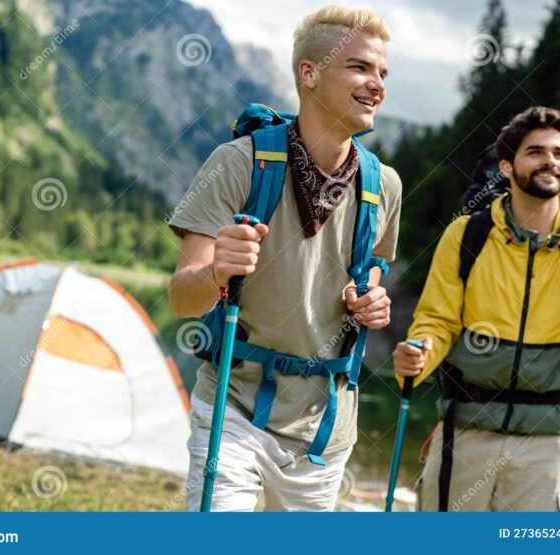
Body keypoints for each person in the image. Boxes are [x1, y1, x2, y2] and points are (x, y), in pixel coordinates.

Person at [168, 6, 402, 511]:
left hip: (325, 430)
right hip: (234, 412)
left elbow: (372, 273)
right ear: (309, 73)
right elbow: (182, 298)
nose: (377, 84)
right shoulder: (239, 162)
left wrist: (370, 302)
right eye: (360, 67)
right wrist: (215, 271)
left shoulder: (384, 185)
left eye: (383, 72)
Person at [393, 106, 560, 512]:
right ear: (507, 167)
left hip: (549, 443)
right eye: (535, 151)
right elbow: (437, 320)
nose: (550, 161)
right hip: (466, 430)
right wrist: (418, 353)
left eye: (559, 153)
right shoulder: (467, 234)